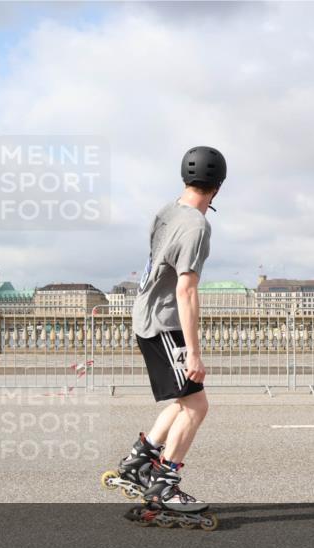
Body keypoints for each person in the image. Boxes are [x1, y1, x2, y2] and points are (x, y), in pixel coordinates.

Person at [113, 146, 225, 517]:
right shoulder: (197, 225)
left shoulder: (166, 211)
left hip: (146, 317)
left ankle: (137, 463)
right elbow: (186, 289)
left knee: (183, 400)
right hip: (166, 322)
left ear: (185, 179)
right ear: (218, 187)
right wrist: (194, 352)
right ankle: (164, 485)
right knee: (197, 405)